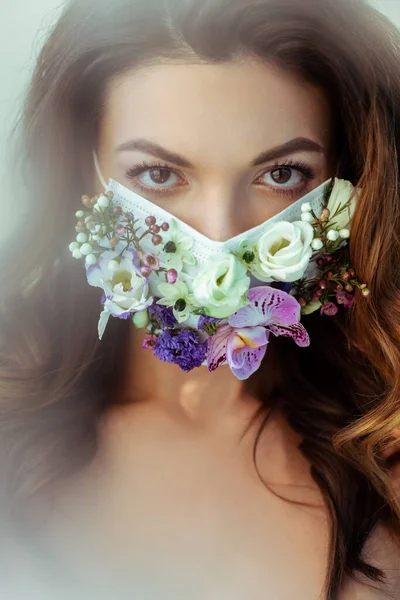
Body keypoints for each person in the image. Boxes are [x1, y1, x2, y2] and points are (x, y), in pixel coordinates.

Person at [1, 0, 400, 598]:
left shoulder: (384, 438)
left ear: (348, 179)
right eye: (160, 174)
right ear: (83, 171)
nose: (218, 232)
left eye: (283, 174)